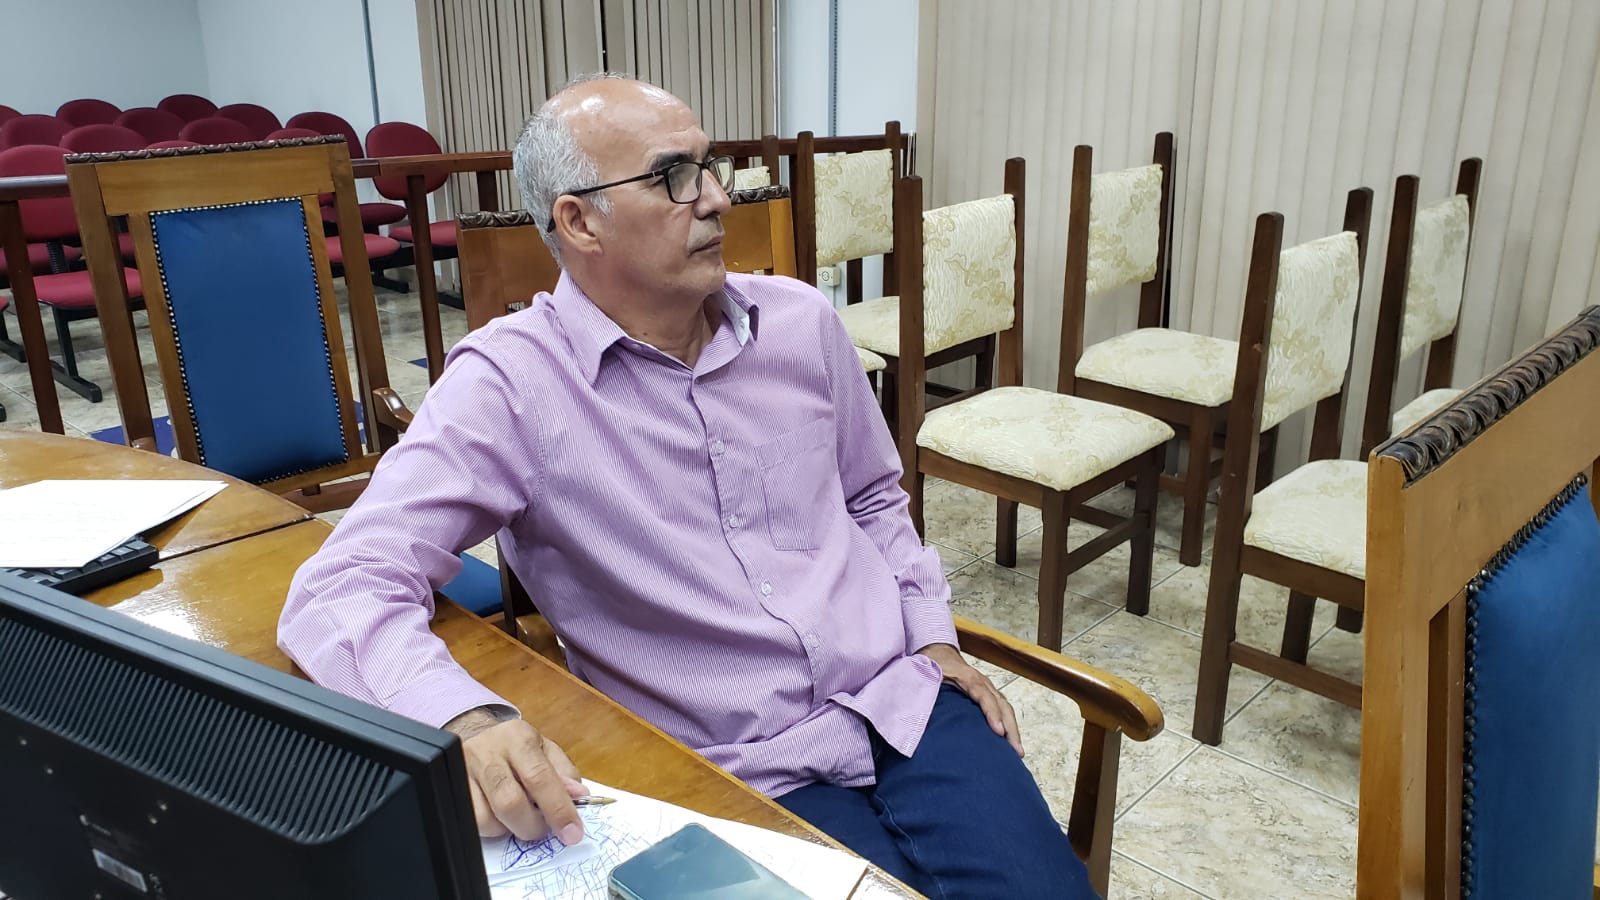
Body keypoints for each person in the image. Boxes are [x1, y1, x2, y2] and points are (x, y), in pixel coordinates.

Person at [279, 73, 1094, 898]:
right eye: (673, 176)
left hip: (904, 702)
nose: (715, 198)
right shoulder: (511, 385)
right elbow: (343, 584)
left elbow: (873, 499)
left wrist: (931, 635)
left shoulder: (800, 322)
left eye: (710, 166)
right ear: (579, 221)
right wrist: (461, 718)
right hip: (732, 769)